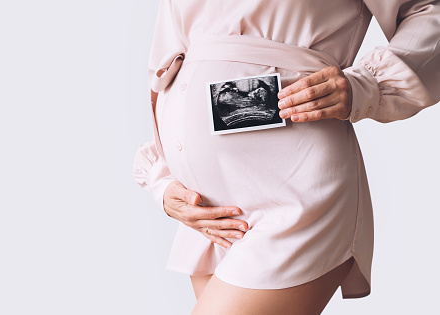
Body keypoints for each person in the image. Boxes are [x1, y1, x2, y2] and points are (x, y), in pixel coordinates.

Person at [132, 0, 439, 314]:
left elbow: (430, 14)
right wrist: (163, 180)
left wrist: (368, 84)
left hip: (293, 187)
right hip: (209, 212)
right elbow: (167, 69)